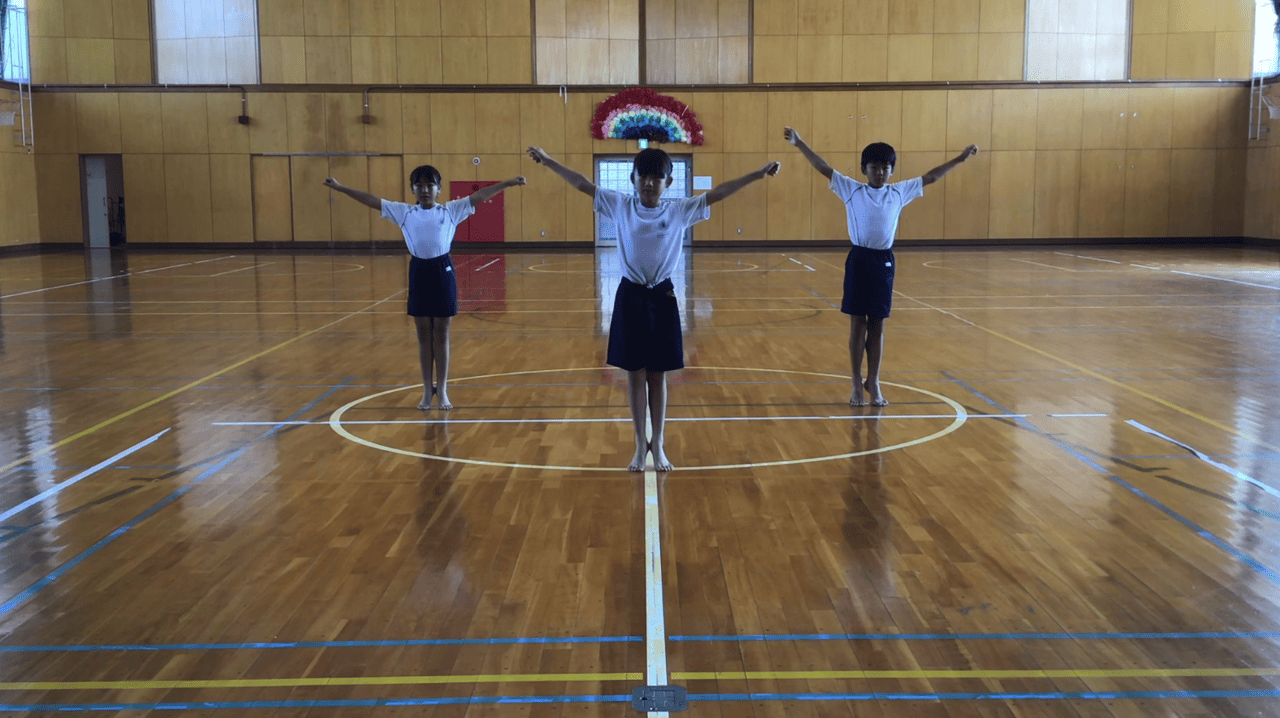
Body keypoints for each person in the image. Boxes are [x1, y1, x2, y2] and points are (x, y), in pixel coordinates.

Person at [527, 146, 779, 471]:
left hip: (663, 297)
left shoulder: (678, 210)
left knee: (658, 375)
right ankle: (638, 444)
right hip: (630, 296)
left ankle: (657, 444)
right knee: (634, 375)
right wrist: (548, 162)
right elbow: (582, 184)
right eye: (643, 176)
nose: (648, 183)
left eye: (655, 177)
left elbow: (718, 193)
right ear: (633, 179)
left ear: (668, 181)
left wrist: (757, 174)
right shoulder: (619, 205)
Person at [785, 127, 977, 406]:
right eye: (874, 167)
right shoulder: (852, 189)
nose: (880, 173)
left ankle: (873, 381)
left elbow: (932, 176)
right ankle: (854, 382)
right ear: (864, 169)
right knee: (857, 324)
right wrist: (800, 143)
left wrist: (960, 159)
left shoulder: (899, 192)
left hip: (883, 261)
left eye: (885, 168)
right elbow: (824, 167)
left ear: (892, 170)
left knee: (877, 326)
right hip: (859, 259)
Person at [324, 167, 525, 410]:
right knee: (423, 334)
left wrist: (508, 183)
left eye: (430, 185)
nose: (425, 190)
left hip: (443, 271)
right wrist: (341, 188)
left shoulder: (451, 210)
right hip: (419, 271)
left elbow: (480, 196)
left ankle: (442, 389)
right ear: (413, 189)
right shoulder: (404, 212)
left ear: (439, 189)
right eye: (419, 185)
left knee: (442, 332)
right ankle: (426, 390)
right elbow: (371, 200)